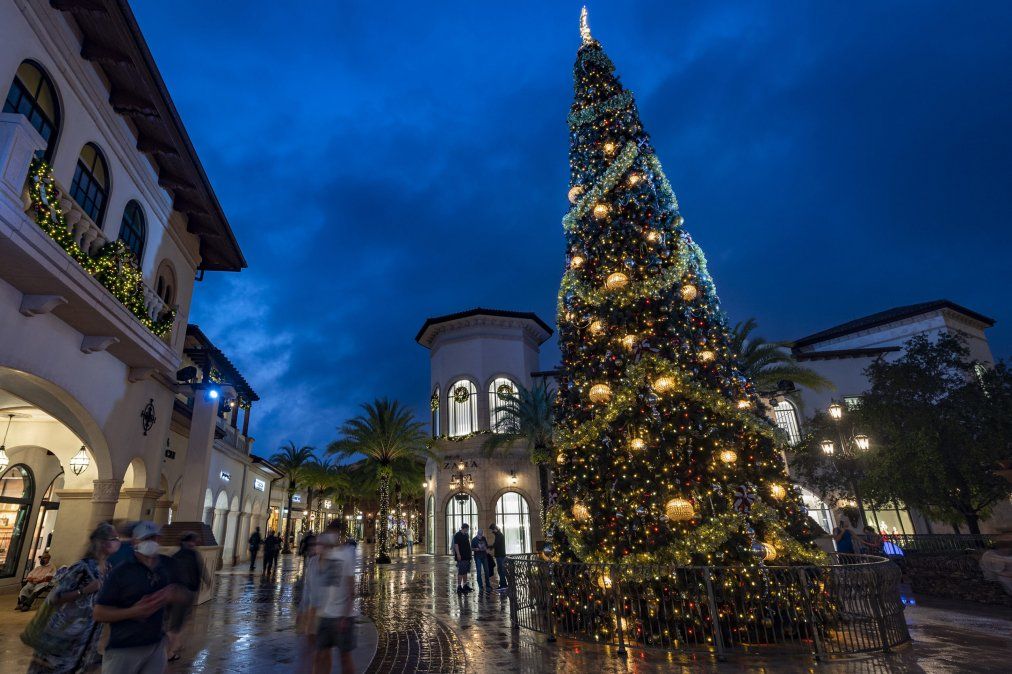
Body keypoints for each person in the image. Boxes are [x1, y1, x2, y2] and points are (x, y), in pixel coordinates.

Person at [24, 522, 120, 674]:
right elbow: (55, 597)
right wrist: (84, 591)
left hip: (86, 637)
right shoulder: (82, 567)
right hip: (64, 633)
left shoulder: (108, 568)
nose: (118, 541)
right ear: (101, 542)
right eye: (113, 538)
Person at [93, 521, 187, 674]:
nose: (152, 542)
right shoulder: (122, 571)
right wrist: (134, 612)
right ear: (135, 541)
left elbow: (185, 595)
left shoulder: (167, 566)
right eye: (146, 538)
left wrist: (174, 594)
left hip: (155, 645)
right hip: (125, 647)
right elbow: (98, 613)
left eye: (155, 538)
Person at [313, 522, 357, 674]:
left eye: (335, 533)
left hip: (342, 617)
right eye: (329, 533)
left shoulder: (348, 553)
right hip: (324, 614)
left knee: (344, 657)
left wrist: (346, 614)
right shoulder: (323, 554)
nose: (332, 536)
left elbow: (351, 588)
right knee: (321, 655)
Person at [166, 532, 209, 662]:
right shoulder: (192, 555)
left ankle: (176, 643)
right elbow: (201, 570)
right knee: (178, 621)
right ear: (190, 542)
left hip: (175, 590)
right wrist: (207, 581)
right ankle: (169, 652)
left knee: (177, 619)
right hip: (186, 590)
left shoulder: (175, 554)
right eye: (194, 541)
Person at [452, 523, 472, 594]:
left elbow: (468, 545)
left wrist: (470, 555)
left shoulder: (466, 535)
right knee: (461, 571)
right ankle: (459, 586)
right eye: (467, 529)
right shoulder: (457, 535)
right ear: (464, 528)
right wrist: (458, 554)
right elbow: (456, 545)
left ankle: (465, 585)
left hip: (467, 556)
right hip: (461, 556)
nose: (468, 530)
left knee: (465, 571)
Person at [488, 522, 507, 591]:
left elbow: (496, 544)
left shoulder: (499, 535)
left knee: (501, 570)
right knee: (500, 570)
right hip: (500, 555)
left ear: (494, 529)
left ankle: (503, 585)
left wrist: (489, 547)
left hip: (500, 556)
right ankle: (503, 584)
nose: (492, 532)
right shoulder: (498, 535)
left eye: (492, 530)